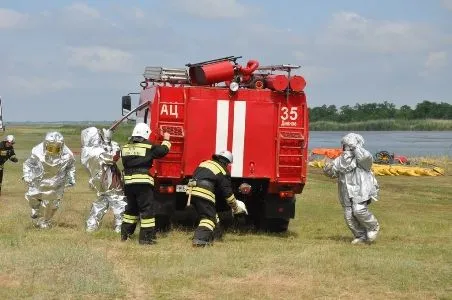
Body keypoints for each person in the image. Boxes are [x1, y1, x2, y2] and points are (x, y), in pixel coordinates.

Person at [323, 133, 380, 244]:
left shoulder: (363, 157)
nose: (346, 149)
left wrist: (355, 148)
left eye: (349, 146)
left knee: (359, 210)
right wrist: (327, 168)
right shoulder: (340, 160)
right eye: (345, 146)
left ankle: (373, 227)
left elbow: (366, 160)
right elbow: (333, 173)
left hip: (361, 189)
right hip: (345, 191)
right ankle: (360, 236)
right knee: (349, 215)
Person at [120, 122, 171, 245]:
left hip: (128, 183)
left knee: (131, 210)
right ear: (145, 134)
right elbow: (163, 151)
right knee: (147, 210)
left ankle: (125, 235)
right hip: (142, 183)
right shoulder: (148, 147)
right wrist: (166, 139)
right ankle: (146, 239)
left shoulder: (125, 147)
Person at [187, 150, 248, 247]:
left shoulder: (205, 163)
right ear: (226, 162)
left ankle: (215, 237)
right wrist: (236, 208)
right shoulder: (223, 170)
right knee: (208, 219)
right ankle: (200, 240)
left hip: (191, 191)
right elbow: (228, 193)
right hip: (204, 192)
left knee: (213, 216)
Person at [22, 131, 76, 229]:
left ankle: (44, 222)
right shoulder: (37, 151)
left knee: (51, 205)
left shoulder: (68, 155)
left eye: (56, 149)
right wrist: (27, 176)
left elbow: (71, 167)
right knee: (32, 198)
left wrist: (71, 178)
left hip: (56, 183)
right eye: (51, 148)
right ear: (46, 145)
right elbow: (28, 164)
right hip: (39, 181)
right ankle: (36, 210)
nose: (53, 152)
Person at [81, 127, 126, 233]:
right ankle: (120, 228)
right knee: (119, 203)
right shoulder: (97, 151)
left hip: (97, 182)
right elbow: (113, 158)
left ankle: (91, 226)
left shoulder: (86, 151)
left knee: (101, 203)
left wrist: (107, 142)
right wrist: (108, 141)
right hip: (108, 181)